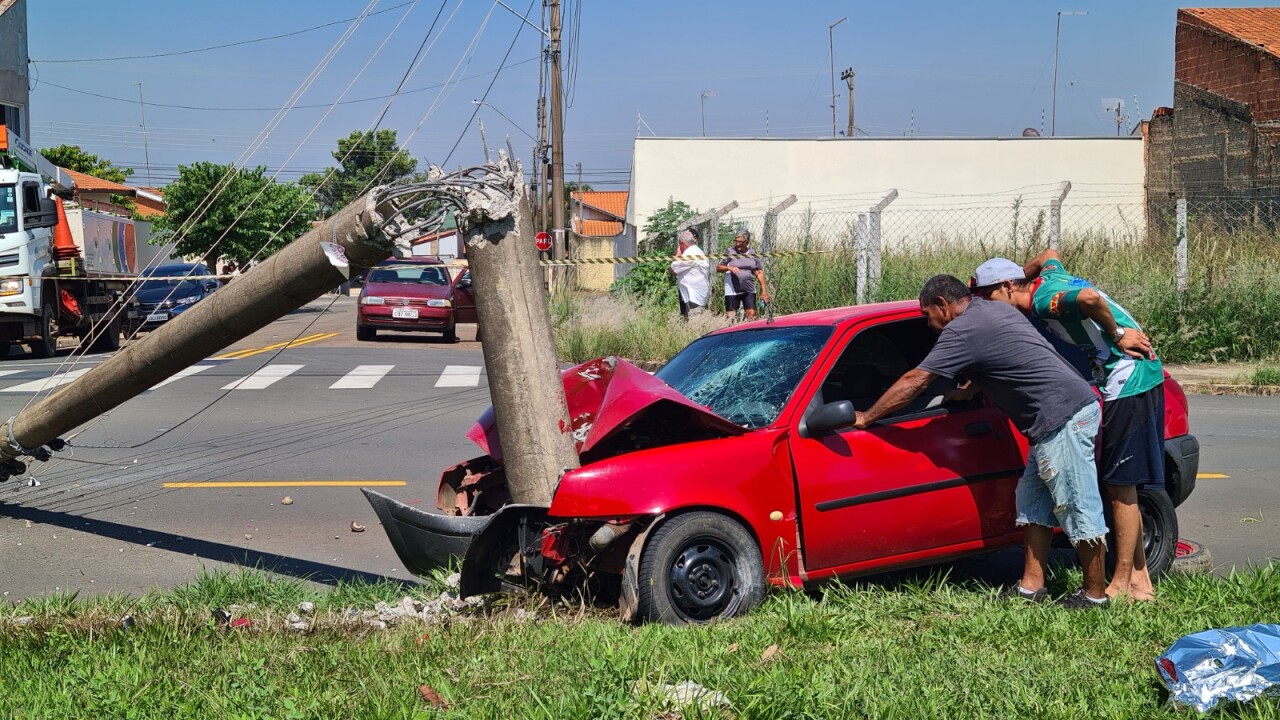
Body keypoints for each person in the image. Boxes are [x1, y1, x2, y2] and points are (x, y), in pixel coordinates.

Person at [854, 275, 1111, 609]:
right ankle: (1031, 588)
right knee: (1034, 506)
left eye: (926, 314)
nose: (927, 322)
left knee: (1077, 505)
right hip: (1058, 415)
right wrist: (969, 390)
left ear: (943, 305)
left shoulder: (961, 330)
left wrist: (867, 417)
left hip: (1061, 417)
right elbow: (1006, 351)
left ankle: (1095, 596)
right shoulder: (992, 311)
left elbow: (916, 380)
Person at [971, 250, 1164, 602]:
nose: (986, 306)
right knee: (1116, 482)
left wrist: (1117, 332)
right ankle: (1139, 578)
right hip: (1120, 379)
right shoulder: (1048, 278)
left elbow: (1089, 298)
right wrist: (1020, 274)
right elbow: (1049, 255)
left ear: (1006, 287)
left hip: (1129, 377)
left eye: (988, 297)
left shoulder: (1045, 301)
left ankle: (1124, 584)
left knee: (1120, 484)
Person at [716, 228, 769, 321]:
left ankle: (750, 334)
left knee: (752, 315)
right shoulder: (730, 251)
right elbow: (718, 267)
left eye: (740, 242)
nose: (737, 244)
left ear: (747, 242)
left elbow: (759, 272)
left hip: (748, 289)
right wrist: (729, 268)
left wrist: (763, 291)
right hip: (732, 289)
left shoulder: (752, 253)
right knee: (730, 317)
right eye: (736, 241)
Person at [669, 227, 710, 317]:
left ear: (682, 244)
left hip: (694, 296)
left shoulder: (690, 254)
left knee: (694, 324)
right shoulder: (696, 251)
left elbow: (672, 269)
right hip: (693, 294)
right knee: (691, 323)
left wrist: (678, 254)